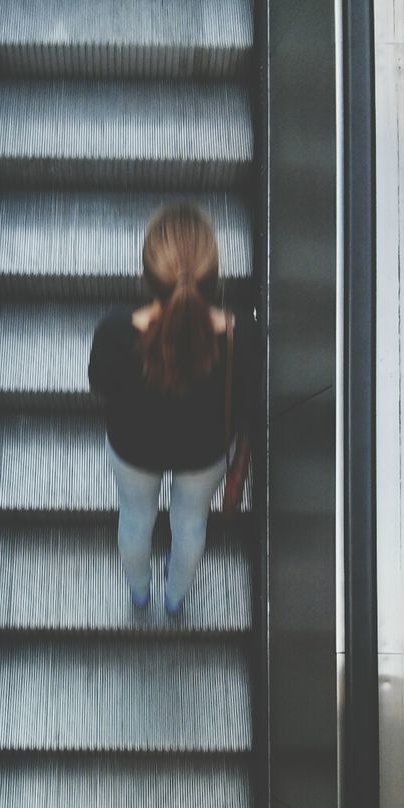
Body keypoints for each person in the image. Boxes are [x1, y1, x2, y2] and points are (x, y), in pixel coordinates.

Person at [88, 202, 262, 615]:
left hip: (133, 448)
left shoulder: (115, 331)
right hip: (205, 453)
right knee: (190, 525)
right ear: (214, 277)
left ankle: (139, 593)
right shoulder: (244, 335)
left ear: (145, 277)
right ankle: (174, 599)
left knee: (135, 518)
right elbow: (249, 404)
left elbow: (100, 386)